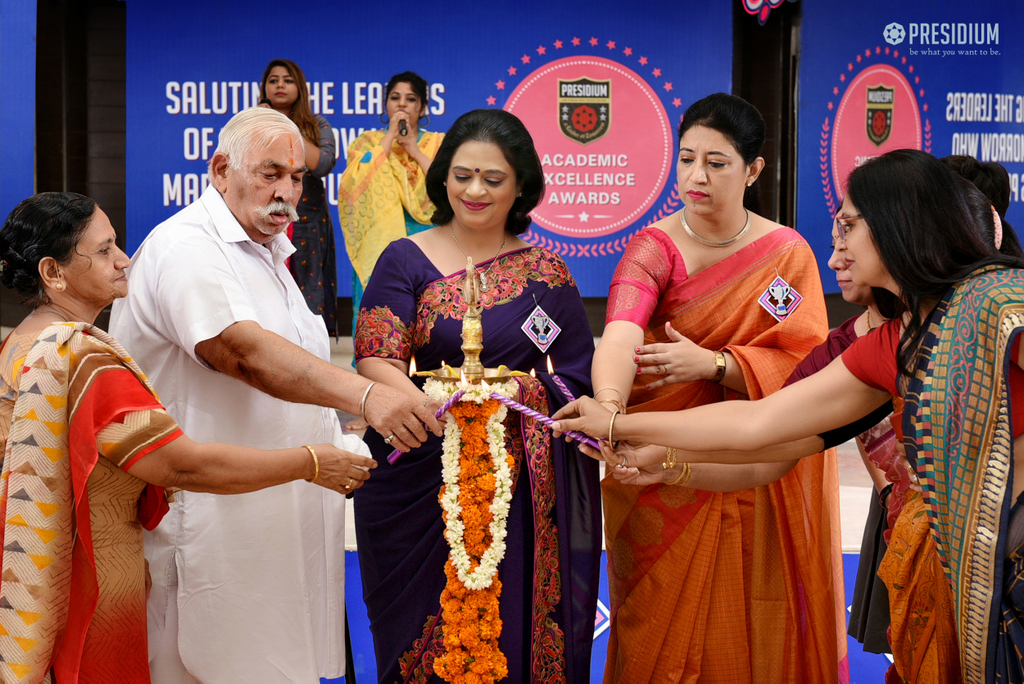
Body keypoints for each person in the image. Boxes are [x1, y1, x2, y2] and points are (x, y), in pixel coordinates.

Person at [554, 148, 1024, 683]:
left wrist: (630, 415)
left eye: (848, 228)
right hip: (957, 577)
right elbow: (762, 428)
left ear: (900, 221)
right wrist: (648, 447)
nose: (835, 254)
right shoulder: (886, 346)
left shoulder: (998, 303)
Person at [109, 107, 442, 683]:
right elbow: (243, 354)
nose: (286, 191)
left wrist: (340, 434)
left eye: (297, 177)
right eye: (269, 174)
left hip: (277, 528)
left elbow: (288, 382)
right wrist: (367, 397)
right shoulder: (186, 246)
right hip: (211, 525)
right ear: (219, 170)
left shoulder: (271, 252)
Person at [0, 192, 375, 683]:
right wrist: (309, 462)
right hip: (89, 586)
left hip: (32, 572)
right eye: (106, 249)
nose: (124, 260)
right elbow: (181, 466)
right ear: (53, 273)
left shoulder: (19, 342)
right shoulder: (82, 359)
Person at [584, 92, 842, 682]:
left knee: (750, 630)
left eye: (717, 163)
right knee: (657, 635)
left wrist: (718, 366)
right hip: (656, 471)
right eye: (686, 158)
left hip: (754, 476)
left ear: (754, 170)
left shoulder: (784, 257)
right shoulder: (654, 248)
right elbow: (621, 336)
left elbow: (809, 369)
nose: (696, 176)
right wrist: (610, 410)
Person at [352, 108, 602, 683]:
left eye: (494, 178)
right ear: (442, 178)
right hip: (421, 470)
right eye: (463, 175)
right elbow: (377, 359)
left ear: (520, 187)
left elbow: (575, 376)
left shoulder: (546, 273)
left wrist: (509, 397)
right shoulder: (404, 259)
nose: (476, 190)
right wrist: (441, 407)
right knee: (417, 637)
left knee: (510, 631)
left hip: (519, 491)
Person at [338, 71, 444, 338]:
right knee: (380, 308)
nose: (401, 104)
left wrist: (413, 148)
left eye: (410, 99)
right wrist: (389, 139)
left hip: (425, 236)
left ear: (421, 107)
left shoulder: (438, 144)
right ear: (386, 104)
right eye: (395, 98)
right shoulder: (367, 143)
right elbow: (355, 181)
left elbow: (445, 182)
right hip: (379, 239)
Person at [259, 58, 338, 333]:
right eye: (274, 80)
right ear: (264, 87)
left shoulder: (316, 125)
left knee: (308, 297)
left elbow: (324, 163)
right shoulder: (253, 123)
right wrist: (263, 121)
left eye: (287, 80)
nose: (280, 85)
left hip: (307, 223)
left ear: (300, 88)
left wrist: (283, 125)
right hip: (262, 219)